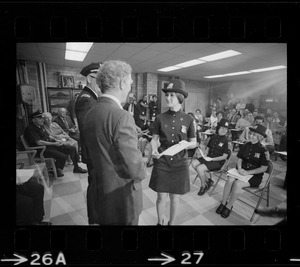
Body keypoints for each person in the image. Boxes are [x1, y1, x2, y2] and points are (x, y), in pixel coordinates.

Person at [83, 60, 146, 225]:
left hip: (99, 192)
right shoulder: (121, 116)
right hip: (121, 198)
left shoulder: (91, 112)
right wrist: (145, 159)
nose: (130, 87)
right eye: (130, 83)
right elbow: (135, 170)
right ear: (122, 83)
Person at [149, 78, 197, 225]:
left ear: (180, 97)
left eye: (172, 95)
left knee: (175, 198)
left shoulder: (189, 119)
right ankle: (160, 222)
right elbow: (154, 139)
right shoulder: (159, 118)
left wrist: (186, 144)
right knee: (161, 197)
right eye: (167, 95)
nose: (168, 98)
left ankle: (172, 223)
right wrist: (154, 148)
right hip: (162, 162)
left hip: (179, 163)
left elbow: (194, 142)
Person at [216, 124, 269, 218]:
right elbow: (240, 158)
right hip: (241, 171)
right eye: (251, 133)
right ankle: (223, 203)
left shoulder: (263, 150)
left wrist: (248, 172)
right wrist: (239, 168)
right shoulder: (245, 145)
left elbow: (264, 168)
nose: (251, 136)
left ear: (260, 137)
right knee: (229, 180)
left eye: (254, 135)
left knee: (237, 184)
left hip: (254, 176)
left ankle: (228, 206)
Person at [75, 62, 102, 224]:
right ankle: (94, 219)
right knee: (94, 186)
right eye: (98, 79)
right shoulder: (86, 99)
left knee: (96, 184)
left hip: (94, 150)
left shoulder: (92, 97)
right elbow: (89, 129)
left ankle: (97, 215)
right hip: (93, 151)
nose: (101, 83)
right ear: (89, 78)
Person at [24, 110, 87, 177]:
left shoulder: (40, 126)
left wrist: (56, 140)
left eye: (42, 118)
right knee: (63, 156)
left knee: (72, 148)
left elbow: (48, 136)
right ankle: (56, 170)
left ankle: (76, 168)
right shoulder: (31, 129)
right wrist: (54, 144)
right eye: (39, 118)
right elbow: (39, 142)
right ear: (33, 120)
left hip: (49, 146)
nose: (42, 120)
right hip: (41, 150)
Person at [191, 119, 230, 196]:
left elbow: (224, 156)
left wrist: (212, 159)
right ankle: (208, 180)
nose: (223, 130)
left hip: (217, 161)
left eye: (225, 129)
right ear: (218, 127)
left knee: (200, 168)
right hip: (209, 157)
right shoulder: (213, 137)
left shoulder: (226, 141)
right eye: (222, 128)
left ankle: (204, 186)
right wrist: (205, 153)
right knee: (193, 163)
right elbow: (208, 148)